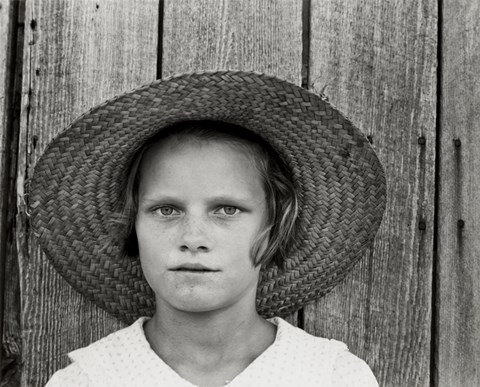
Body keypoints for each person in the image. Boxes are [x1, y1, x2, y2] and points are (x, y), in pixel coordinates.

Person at [29, 71, 386, 386]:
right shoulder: (89, 380)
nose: (193, 239)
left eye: (227, 210)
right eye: (166, 210)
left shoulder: (331, 376)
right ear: (132, 225)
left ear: (275, 225)